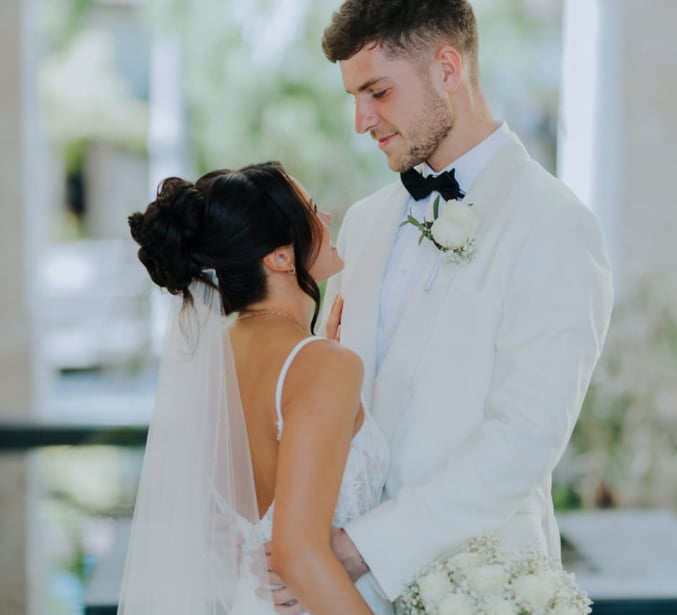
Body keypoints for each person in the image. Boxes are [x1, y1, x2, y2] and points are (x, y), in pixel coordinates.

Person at [271, 0, 614, 612]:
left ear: (447, 69)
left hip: (480, 588)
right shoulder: (366, 222)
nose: (360, 119)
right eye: (354, 96)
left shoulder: (556, 226)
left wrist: (364, 547)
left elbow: (524, 438)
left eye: (377, 91)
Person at [118, 162, 389, 615]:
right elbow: (297, 554)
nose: (325, 220)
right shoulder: (319, 364)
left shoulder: (217, 356)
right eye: (313, 210)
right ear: (280, 257)